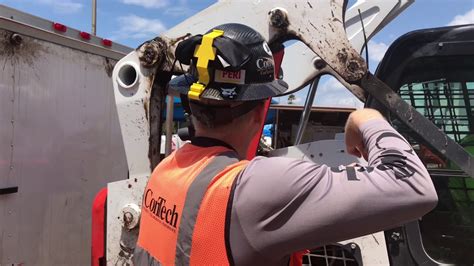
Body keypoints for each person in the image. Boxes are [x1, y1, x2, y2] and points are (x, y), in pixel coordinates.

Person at [133, 23, 438, 265]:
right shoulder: (256, 188)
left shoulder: (166, 172)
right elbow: (413, 185)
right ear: (258, 110)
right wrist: (367, 118)